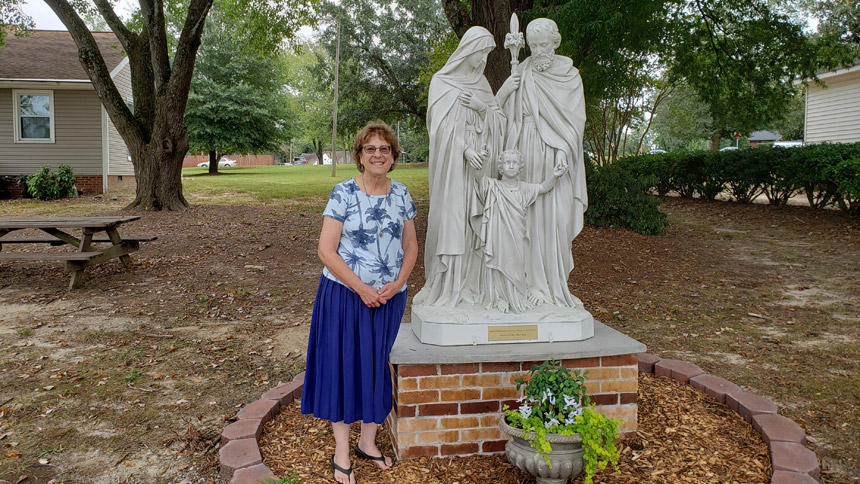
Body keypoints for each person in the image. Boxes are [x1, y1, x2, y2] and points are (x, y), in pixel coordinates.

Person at [300, 121, 418, 484]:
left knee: (374, 365)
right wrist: (362, 288)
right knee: (342, 366)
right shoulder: (343, 193)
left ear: (393, 156)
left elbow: (411, 246)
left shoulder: (402, 195)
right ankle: (342, 451)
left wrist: (398, 282)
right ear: (360, 156)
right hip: (344, 295)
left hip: (388, 299)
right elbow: (326, 250)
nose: (378, 155)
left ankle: (368, 441)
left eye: (384, 149)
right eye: (371, 149)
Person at [413, 25, 506, 308]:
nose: (484, 61)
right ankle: (448, 284)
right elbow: (438, 131)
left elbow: (500, 122)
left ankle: (473, 286)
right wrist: (464, 149)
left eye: (488, 56)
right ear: (468, 50)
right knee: (452, 222)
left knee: (474, 227)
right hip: (453, 170)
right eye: (481, 54)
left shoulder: (482, 86)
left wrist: (482, 108)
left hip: (479, 173)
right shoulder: (441, 82)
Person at [497, 18, 588, 308]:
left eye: (543, 45)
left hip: (554, 157)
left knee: (554, 220)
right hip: (524, 151)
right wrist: (508, 91)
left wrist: (564, 151)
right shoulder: (521, 70)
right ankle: (526, 285)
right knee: (526, 220)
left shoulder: (570, 76)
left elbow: (574, 123)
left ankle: (551, 284)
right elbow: (507, 114)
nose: (537, 51)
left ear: (556, 42)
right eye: (533, 46)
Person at [471, 149, 566, 313]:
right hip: (498, 236)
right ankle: (499, 298)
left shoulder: (524, 188)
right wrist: (484, 162)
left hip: (517, 234)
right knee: (498, 264)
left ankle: (518, 296)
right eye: (507, 162)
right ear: (500, 167)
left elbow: (543, 188)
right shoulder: (494, 186)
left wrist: (555, 175)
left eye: (515, 163)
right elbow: (479, 178)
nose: (511, 166)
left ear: (520, 166)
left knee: (517, 265)